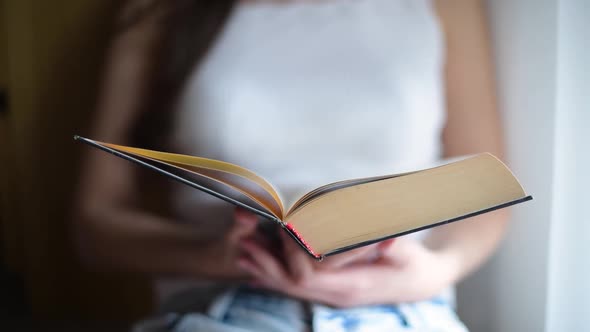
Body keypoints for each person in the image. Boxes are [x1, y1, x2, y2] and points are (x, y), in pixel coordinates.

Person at [75, 0, 507, 330]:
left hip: (401, 309)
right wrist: (215, 255)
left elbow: (490, 184)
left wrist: (435, 270)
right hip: (221, 307)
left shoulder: (445, 6)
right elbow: (96, 224)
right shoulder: (160, 11)